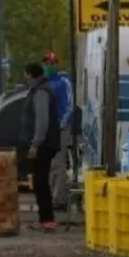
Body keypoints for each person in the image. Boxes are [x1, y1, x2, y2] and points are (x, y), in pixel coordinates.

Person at [19, 62, 60, 232]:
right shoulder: (40, 90)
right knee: (39, 180)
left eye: (26, 75)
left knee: (40, 181)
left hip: (44, 144)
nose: (25, 78)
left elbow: (42, 121)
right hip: (45, 143)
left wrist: (35, 144)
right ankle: (45, 218)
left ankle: (47, 219)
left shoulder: (41, 92)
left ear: (30, 75)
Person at [42, 51, 74, 210]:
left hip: (60, 128)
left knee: (58, 163)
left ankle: (59, 198)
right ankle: (52, 195)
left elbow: (69, 105)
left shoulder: (63, 82)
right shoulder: (44, 83)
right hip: (47, 129)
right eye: (47, 64)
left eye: (52, 63)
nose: (50, 66)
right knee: (48, 164)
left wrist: (62, 124)